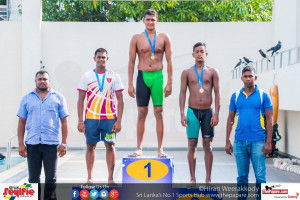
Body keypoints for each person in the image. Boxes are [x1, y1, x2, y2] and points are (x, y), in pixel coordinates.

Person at [127, 9, 173, 158]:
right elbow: (132, 61)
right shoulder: (136, 38)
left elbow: (169, 61)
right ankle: (139, 148)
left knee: (159, 112)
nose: (150, 22)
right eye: (148, 19)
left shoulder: (164, 37)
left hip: (158, 77)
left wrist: (170, 82)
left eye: (153, 20)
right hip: (142, 76)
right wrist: (129, 83)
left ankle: (160, 148)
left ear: (157, 21)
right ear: (143, 21)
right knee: (142, 112)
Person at [17, 70, 69, 200]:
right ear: (35, 81)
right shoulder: (27, 98)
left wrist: (64, 143)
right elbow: (22, 122)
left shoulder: (58, 97)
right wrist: (20, 144)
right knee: (33, 178)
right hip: (32, 143)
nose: (42, 81)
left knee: (51, 177)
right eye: (39, 79)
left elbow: (64, 121)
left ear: (49, 81)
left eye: (45, 79)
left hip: (50, 143)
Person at [77, 48, 124, 185]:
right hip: (91, 118)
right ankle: (90, 178)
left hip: (109, 119)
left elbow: (120, 100)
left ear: (107, 59)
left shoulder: (114, 76)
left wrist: (119, 121)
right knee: (90, 146)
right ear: (94, 59)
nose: (101, 59)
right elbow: (80, 99)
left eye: (103, 57)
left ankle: (110, 178)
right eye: (99, 57)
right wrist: (80, 121)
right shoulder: (87, 76)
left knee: (110, 146)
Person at [179, 42, 220, 185]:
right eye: (196, 51)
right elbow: (182, 93)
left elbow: (217, 93)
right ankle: (192, 178)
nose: (199, 53)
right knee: (191, 144)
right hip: (192, 112)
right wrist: (182, 113)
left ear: (206, 54)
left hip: (208, 112)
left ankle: (208, 179)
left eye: (202, 51)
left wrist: (216, 114)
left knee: (208, 145)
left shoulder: (213, 72)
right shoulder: (187, 72)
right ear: (193, 54)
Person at [225, 66, 273, 184]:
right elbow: (230, 119)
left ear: (255, 77)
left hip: (258, 141)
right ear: (241, 78)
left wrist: (268, 142)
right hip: (240, 142)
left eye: (250, 76)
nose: (248, 79)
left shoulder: (263, 95)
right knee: (242, 178)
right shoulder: (235, 96)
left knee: (260, 178)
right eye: (245, 76)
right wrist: (227, 141)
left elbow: (270, 120)